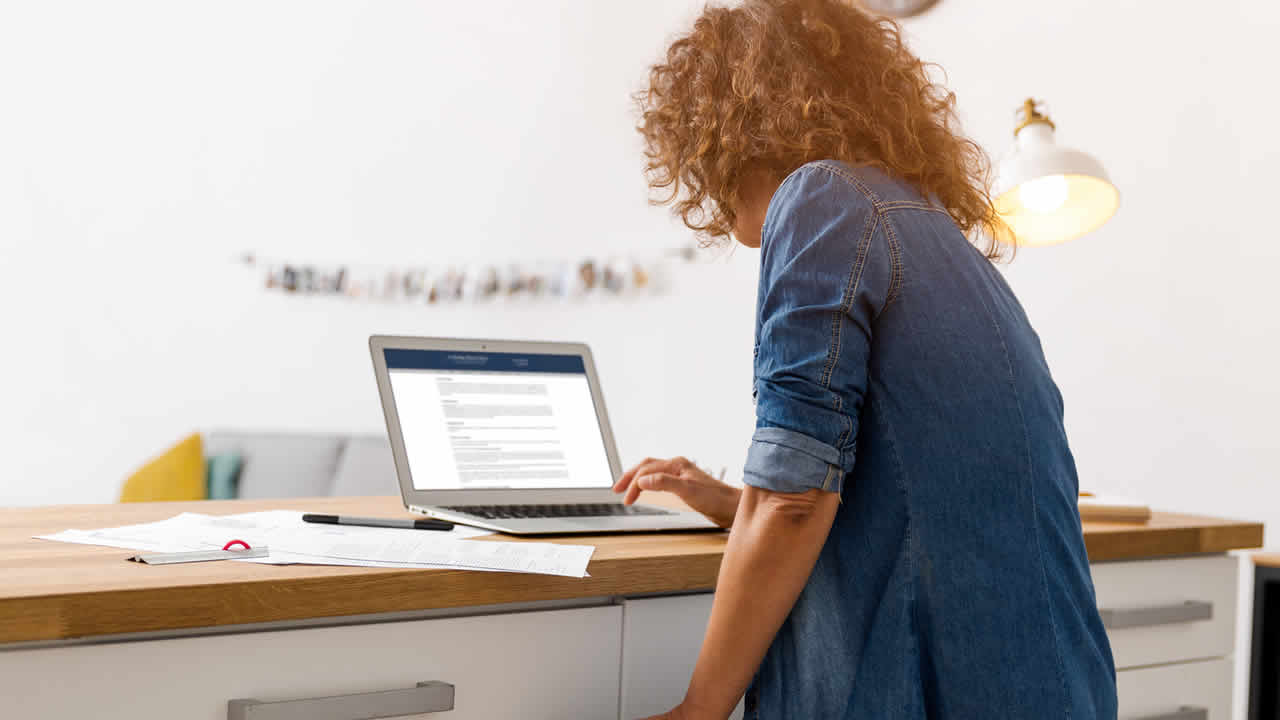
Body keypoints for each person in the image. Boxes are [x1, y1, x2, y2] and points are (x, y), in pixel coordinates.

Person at [612, 1, 1118, 718]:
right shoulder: (940, 238)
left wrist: (697, 709)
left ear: (729, 127)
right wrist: (735, 503)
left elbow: (794, 501)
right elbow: (913, 492)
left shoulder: (821, 198)